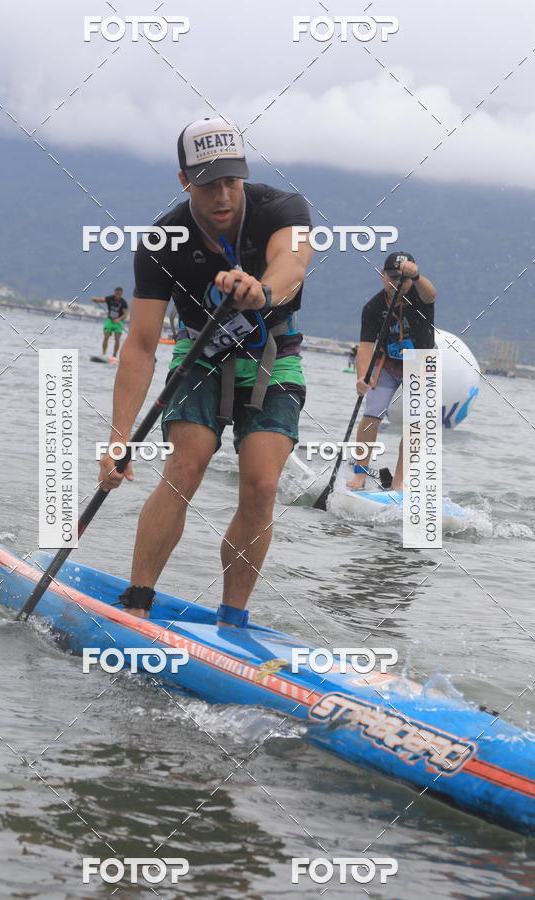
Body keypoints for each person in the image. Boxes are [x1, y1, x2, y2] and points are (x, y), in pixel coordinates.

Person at [98, 116, 312, 627]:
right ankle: (137, 602)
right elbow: (141, 345)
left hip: (271, 355)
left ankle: (232, 620)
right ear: (184, 181)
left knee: (261, 485)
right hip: (200, 355)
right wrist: (119, 437)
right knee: (184, 469)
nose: (222, 195)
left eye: (231, 180)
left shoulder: (284, 208)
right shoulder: (162, 240)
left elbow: (293, 265)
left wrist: (262, 290)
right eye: (208, 182)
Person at [346, 251, 436, 491]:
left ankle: (399, 481)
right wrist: (361, 378)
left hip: (420, 364)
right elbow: (366, 347)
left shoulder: (420, 296)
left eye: (404, 278)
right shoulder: (373, 307)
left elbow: (431, 294)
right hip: (387, 364)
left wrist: (416, 276)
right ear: (382, 275)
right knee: (371, 415)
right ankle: (360, 475)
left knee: (415, 424)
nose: (399, 282)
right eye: (393, 277)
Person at [92, 287, 128, 357]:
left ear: (121, 294)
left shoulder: (124, 303)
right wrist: (95, 299)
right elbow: (102, 300)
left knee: (117, 338)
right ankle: (104, 354)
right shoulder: (110, 298)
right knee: (106, 336)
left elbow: (125, 315)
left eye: (119, 294)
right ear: (114, 293)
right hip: (110, 320)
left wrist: (119, 319)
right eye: (116, 294)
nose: (117, 296)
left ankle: (114, 355)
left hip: (118, 322)